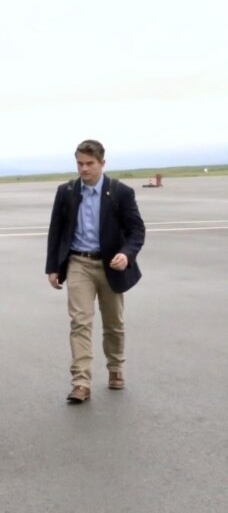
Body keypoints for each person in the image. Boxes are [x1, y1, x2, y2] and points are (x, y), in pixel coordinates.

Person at [45, 139, 146, 404]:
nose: (84, 169)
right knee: (80, 321)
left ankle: (115, 367)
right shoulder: (66, 191)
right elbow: (55, 231)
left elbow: (137, 230)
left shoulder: (120, 192)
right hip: (79, 263)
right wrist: (53, 267)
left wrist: (126, 253)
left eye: (90, 164)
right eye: (80, 163)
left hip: (110, 264)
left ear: (102, 163)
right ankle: (80, 382)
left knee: (114, 323)